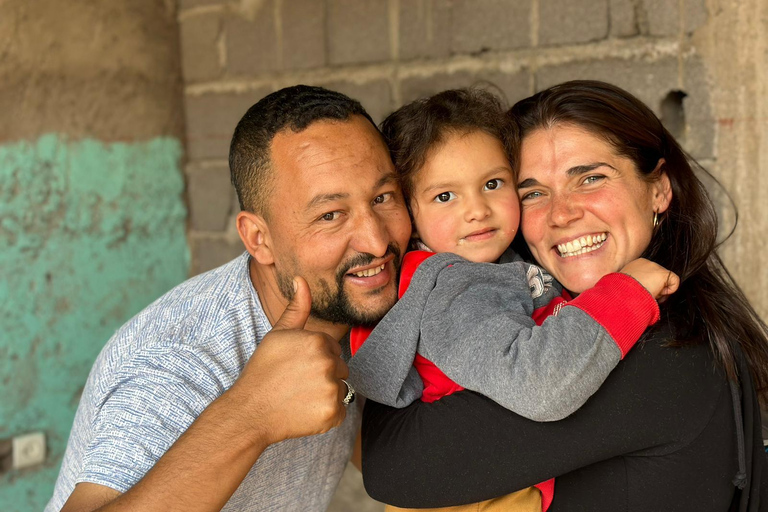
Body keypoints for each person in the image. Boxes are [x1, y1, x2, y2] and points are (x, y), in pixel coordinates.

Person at [360, 81, 768, 511]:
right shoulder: (557, 312)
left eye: (590, 178)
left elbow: (395, 463)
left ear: (659, 189)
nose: (561, 213)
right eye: (533, 192)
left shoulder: (661, 354)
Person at [46, 85, 412, 512]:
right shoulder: (185, 357)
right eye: (330, 215)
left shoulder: (358, 303)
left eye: (383, 198)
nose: (376, 239)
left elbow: (387, 460)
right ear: (259, 239)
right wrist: (252, 414)